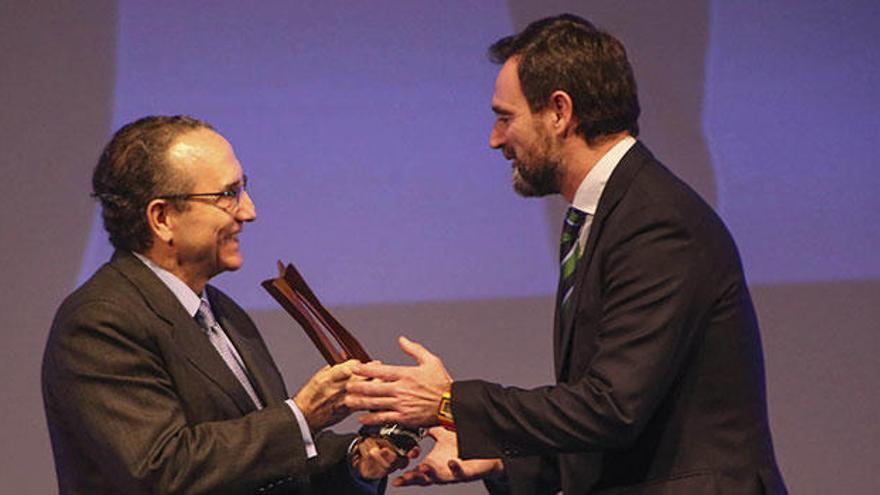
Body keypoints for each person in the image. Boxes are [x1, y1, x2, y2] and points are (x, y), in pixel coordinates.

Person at [345, 14, 787, 494]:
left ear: (559, 112)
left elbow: (613, 408)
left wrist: (451, 402)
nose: (494, 138)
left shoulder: (656, 222)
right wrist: (500, 461)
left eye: (505, 116)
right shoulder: (610, 215)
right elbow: (622, 427)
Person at [42, 115, 409, 494]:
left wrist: (357, 460)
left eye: (243, 189)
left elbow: (264, 468)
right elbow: (162, 471)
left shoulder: (224, 312)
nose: (249, 211)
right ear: (162, 217)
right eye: (227, 195)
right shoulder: (100, 322)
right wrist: (301, 417)